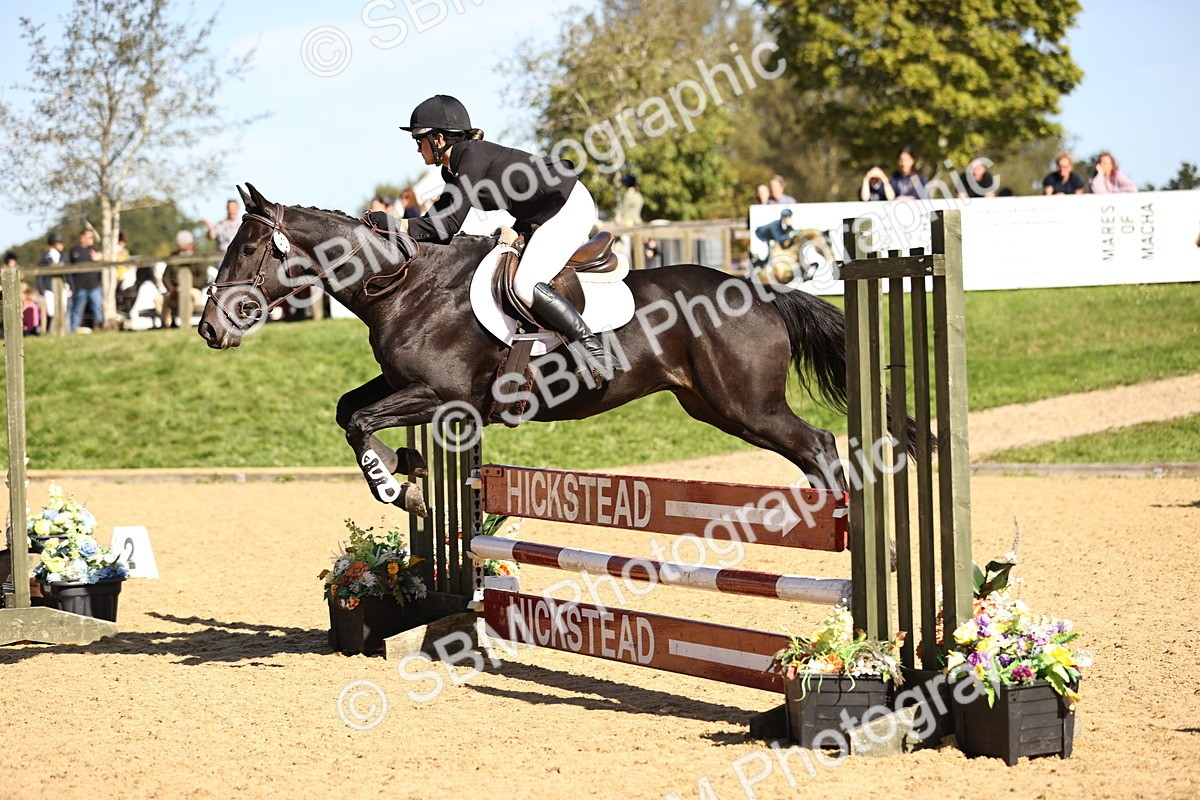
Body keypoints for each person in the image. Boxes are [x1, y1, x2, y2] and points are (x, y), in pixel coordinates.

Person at [394, 94, 620, 387]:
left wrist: (397, 223)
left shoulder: (470, 156)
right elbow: (434, 225)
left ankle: (596, 353)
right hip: (541, 211)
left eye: (418, 140)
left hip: (567, 205)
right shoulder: (452, 168)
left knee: (525, 285)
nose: (416, 148)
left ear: (438, 139)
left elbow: (448, 224)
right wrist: (395, 229)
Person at [162, 230, 202, 328]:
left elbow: (202, 278)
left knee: (188, 295)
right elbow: (165, 277)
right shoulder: (174, 256)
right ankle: (167, 325)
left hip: (193, 289)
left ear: (191, 244)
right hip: (175, 291)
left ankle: (185, 324)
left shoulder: (199, 257)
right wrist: (171, 289)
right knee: (158, 300)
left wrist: (186, 287)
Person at [68, 229, 103, 333]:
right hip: (81, 287)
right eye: (89, 237)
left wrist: (99, 258)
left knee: (98, 308)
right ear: (82, 237)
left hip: (94, 286)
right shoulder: (75, 250)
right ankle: (73, 330)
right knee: (77, 310)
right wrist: (94, 258)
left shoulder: (93, 250)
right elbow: (80, 261)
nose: (91, 240)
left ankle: (102, 327)